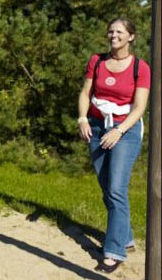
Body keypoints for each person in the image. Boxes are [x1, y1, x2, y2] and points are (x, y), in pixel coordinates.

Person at [76, 17, 149, 273]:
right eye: (110, 31)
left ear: (131, 37)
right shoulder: (97, 61)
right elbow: (86, 93)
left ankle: (114, 250)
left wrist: (118, 130)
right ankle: (125, 237)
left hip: (125, 130)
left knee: (117, 189)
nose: (113, 35)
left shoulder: (141, 67)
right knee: (107, 187)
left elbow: (139, 107)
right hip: (96, 127)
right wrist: (83, 118)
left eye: (119, 31)